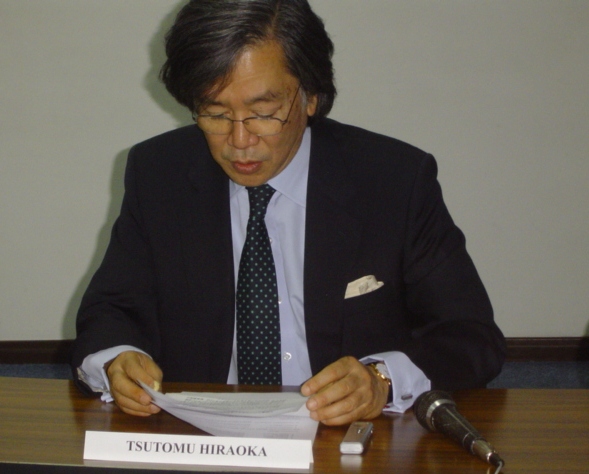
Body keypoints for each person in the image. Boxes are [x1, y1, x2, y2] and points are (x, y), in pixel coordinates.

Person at [71, 0, 505, 426]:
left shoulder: (393, 180)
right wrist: (117, 359)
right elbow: (111, 310)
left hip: (348, 439)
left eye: (263, 113)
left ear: (311, 95)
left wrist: (381, 379)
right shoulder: (158, 174)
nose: (239, 141)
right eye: (215, 113)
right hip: (202, 436)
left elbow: (470, 337)